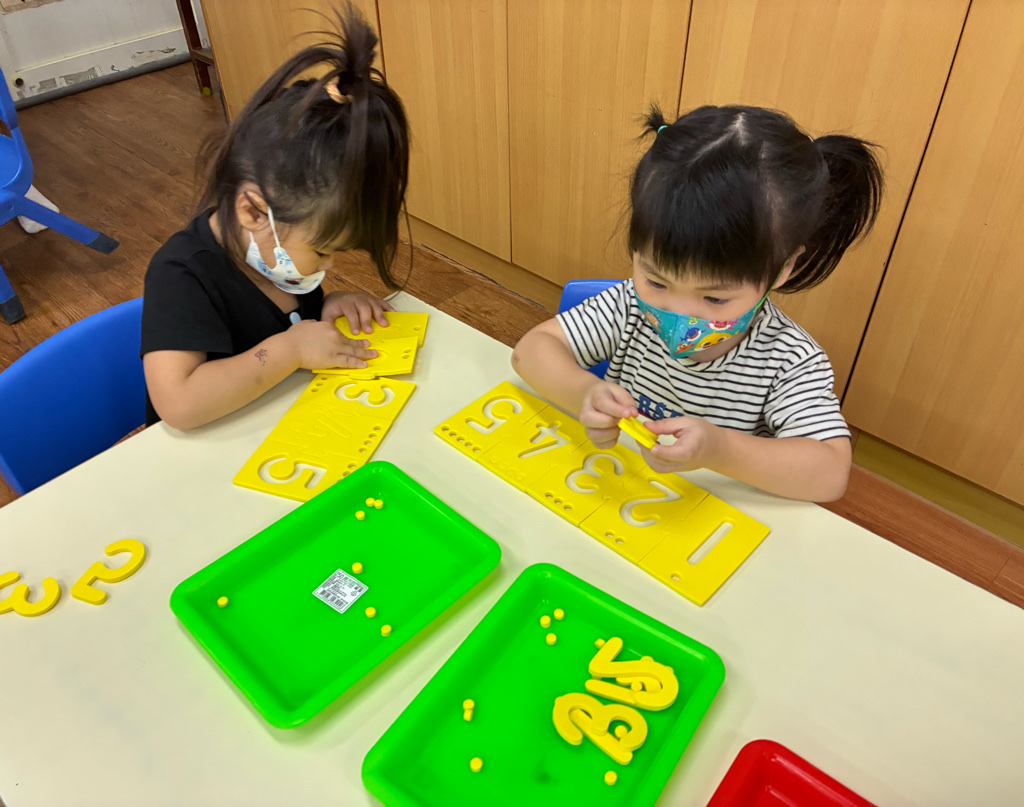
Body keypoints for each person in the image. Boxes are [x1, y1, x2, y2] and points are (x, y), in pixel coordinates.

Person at [512, 105, 883, 502]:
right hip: (616, 488)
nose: (678, 313)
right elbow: (530, 352)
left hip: (709, 511)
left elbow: (829, 473)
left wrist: (719, 450)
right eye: (656, 280)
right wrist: (584, 392)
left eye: (715, 297)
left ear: (785, 267)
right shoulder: (628, 306)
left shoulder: (788, 359)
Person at [141, 4, 408, 429]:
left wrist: (329, 307)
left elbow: (291, 324)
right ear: (252, 211)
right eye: (322, 250)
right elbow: (178, 404)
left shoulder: (275, 252)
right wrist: (291, 350)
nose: (328, 266)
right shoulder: (182, 274)